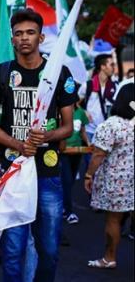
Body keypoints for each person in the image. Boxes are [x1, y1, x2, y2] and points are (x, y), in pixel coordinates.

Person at [0, 8, 78, 281]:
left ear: (41, 37)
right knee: (12, 249)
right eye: (19, 34)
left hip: (47, 174)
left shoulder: (59, 72)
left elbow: (68, 127)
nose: (24, 38)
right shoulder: (1, 73)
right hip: (12, 172)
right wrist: (19, 144)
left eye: (30, 33)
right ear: (12, 39)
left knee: (48, 249)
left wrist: (45, 137)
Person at [84, 83, 134, 269]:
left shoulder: (111, 125)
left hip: (116, 180)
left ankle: (109, 258)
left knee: (114, 220)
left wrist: (88, 175)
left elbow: (98, 154)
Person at [60, 86, 90, 225]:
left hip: (77, 151)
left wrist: (88, 143)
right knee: (66, 180)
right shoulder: (59, 111)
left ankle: (63, 205)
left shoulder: (80, 113)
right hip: (64, 152)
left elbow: (83, 131)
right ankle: (68, 211)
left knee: (71, 180)